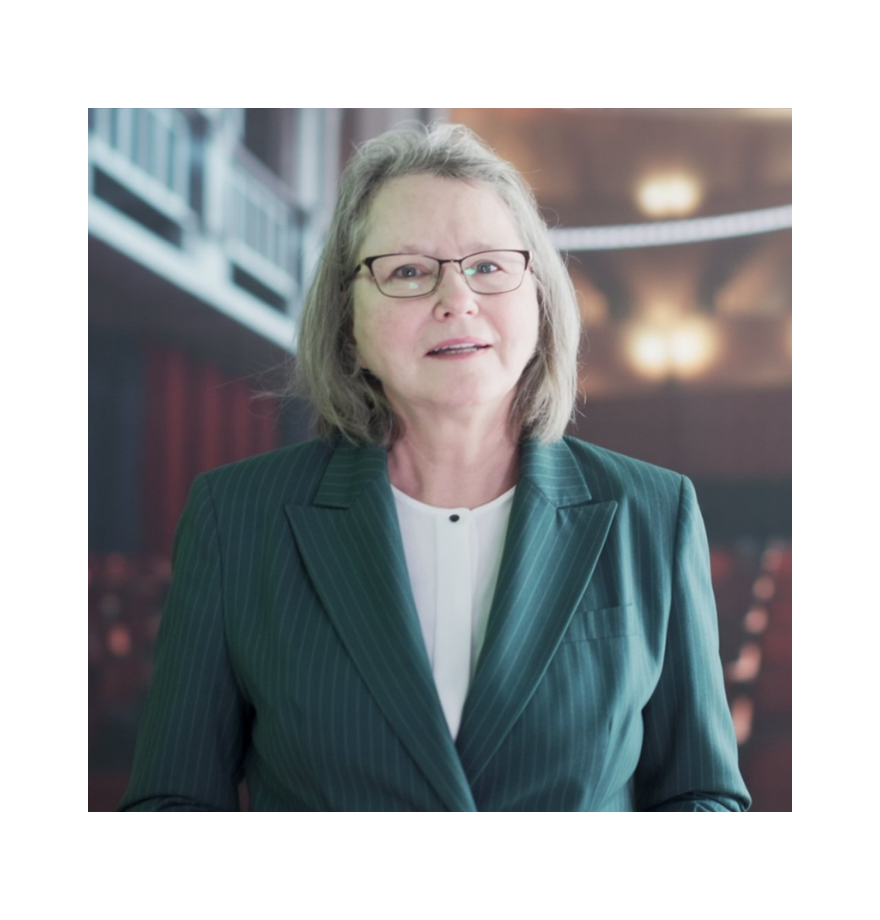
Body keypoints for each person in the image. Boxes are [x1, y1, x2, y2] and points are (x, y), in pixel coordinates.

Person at [118, 124, 749, 829]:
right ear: (347, 319)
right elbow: (167, 808)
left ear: (538, 300)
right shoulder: (235, 518)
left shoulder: (653, 513)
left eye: (487, 265)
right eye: (410, 271)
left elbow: (712, 805)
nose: (457, 298)